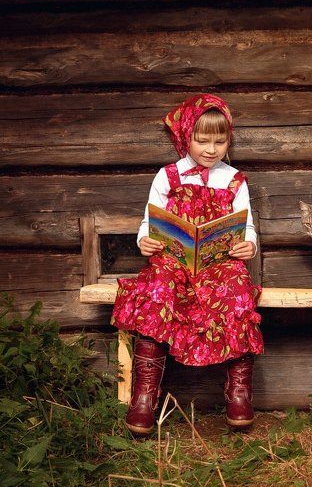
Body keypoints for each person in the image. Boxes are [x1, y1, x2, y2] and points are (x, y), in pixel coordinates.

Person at [112, 94, 264, 434]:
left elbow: (247, 224)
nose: (210, 149)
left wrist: (247, 245)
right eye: (202, 140)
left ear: (228, 141)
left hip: (217, 263)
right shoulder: (168, 176)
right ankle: (144, 397)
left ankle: (238, 393)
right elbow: (148, 222)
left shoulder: (234, 179)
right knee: (158, 290)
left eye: (219, 141)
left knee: (237, 290)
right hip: (174, 260)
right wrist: (144, 241)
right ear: (186, 136)